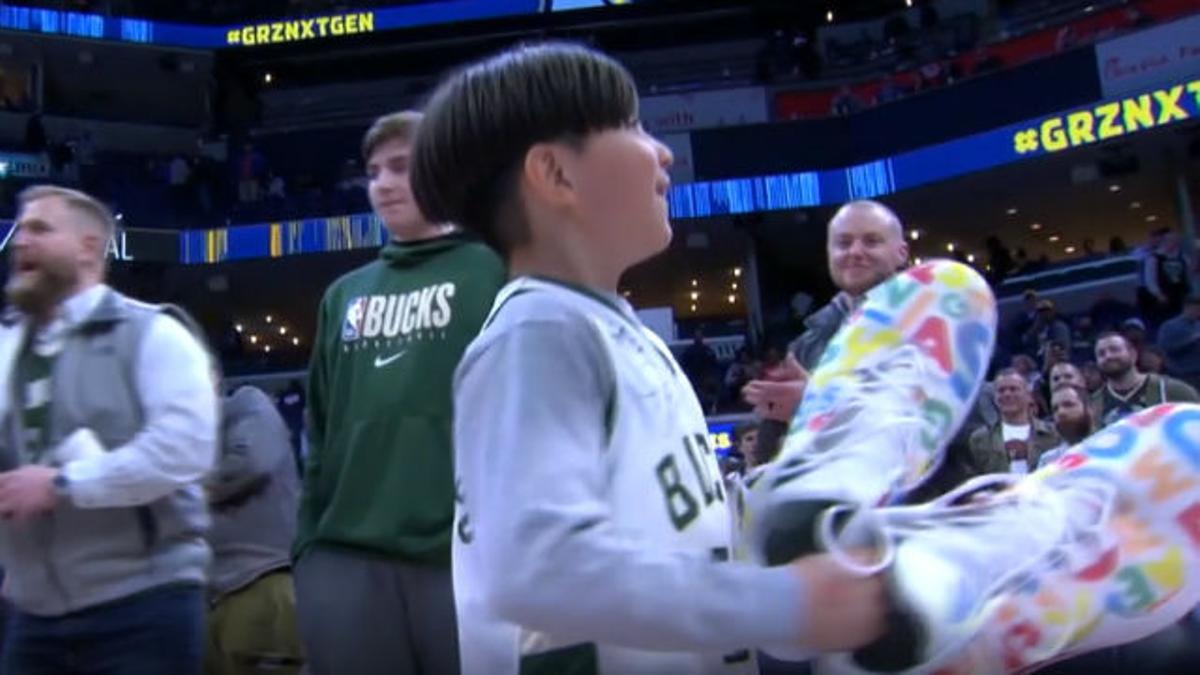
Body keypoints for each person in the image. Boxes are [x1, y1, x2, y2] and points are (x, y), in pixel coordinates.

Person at [410, 42, 885, 674]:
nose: (661, 151)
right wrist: (785, 603)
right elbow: (538, 569)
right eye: (632, 125)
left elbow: (664, 525)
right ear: (555, 175)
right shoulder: (537, 332)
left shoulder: (614, 331)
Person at [293, 110, 507, 675]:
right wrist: (308, 550)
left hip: (465, 559)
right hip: (348, 558)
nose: (383, 183)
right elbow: (320, 428)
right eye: (373, 171)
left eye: (401, 168)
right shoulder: (344, 296)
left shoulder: (496, 271)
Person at [0, 185, 217, 673]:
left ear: (89, 247)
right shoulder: (7, 345)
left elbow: (185, 450)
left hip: (141, 605)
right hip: (33, 613)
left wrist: (63, 485)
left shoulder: (154, 333)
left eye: (40, 228)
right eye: (20, 227)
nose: (20, 241)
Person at [744, 200, 908, 465]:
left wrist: (819, 404)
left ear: (902, 252)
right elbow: (772, 453)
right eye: (843, 243)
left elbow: (945, 420)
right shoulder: (805, 346)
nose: (855, 251)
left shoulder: (936, 318)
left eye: (871, 241)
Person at [206, 384, 304, 675]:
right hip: (207, 597)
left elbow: (250, 462)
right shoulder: (173, 438)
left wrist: (177, 483)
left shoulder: (245, 404)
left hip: (259, 583)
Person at [1092, 331, 1200, 428]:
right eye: (1101, 354)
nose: (1108, 356)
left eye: (1114, 350)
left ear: (1133, 354)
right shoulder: (1093, 405)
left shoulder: (1174, 390)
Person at [967, 369, 1060, 475]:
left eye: (1013, 389)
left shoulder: (1053, 433)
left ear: (1028, 395)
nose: (1007, 394)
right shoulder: (980, 439)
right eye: (1001, 390)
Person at [1035, 383, 1094, 469]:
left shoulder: (1110, 449)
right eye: (1055, 409)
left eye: (1068, 405)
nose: (1061, 412)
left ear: (1088, 409)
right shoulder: (1048, 461)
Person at [1156, 293, 1200, 390]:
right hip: (1184, 374)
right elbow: (1165, 348)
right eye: (1197, 309)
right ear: (1187, 307)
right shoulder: (1170, 326)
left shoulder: (1198, 324)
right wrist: (1192, 339)